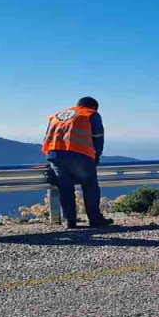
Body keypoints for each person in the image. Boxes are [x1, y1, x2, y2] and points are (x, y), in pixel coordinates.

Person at [43, 97, 114, 229]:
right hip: (80, 155)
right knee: (90, 187)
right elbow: (98, 137)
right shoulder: (90, 114)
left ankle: (69, 221)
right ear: (93, 107)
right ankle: (95, 219)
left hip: (56, 155)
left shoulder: (57, 116)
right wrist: (97, 155)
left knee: (65, 188)